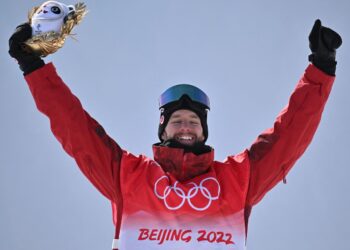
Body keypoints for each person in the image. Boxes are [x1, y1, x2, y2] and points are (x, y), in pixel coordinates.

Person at [9, 19, 342, 250]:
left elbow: (288, 138)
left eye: (193, 122)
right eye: (178, 120)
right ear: (163, 129)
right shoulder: (128, 176)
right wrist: (33, 67)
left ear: (204, 131)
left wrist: (321, 69)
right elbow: (75, 129)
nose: (186, 127)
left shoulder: (237, 181)